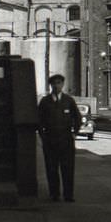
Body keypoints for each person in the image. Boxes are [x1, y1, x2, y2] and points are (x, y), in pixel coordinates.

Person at [38, 74, 80, 202]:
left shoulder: (69, 100)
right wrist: (42, 136)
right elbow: (39, 120)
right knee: (51, 168)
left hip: (66, 139)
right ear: (50, 85)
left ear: (63, 84)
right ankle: (54, 194)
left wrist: (75, 133)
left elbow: (77, 117)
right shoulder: (45, 102)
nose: (57, 86)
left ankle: (68, 194)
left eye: (59, 83)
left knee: (67, 168)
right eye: (54, 83)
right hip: (50, 139)